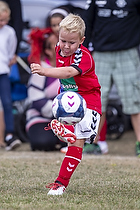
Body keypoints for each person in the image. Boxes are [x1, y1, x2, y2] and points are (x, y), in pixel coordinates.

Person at [31, 13, 101, 195]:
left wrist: (45, 71)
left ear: (82, 40)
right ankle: (59, 184)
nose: (66, 46)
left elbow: (69, 71)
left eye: (72, 43)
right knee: (75, 143)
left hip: (89, 101)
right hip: (69, 99)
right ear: (59, 37)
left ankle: (67, 133)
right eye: (63, 41)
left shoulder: (84, 56)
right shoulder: (57, 48)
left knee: (78, 142)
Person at [83, 0, 140, 156]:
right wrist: (85, 49)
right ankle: (92, 143)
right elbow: (87, 21)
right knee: (97, 101)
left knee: (134, 100)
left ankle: (139, 143)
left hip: (128, 52)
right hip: (100, 53)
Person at [26, 28, 67, 151]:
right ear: (48, 51)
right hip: (42, 117)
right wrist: (60, 111)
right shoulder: (41, 68)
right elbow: (36, 100)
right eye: (58, 44)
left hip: (69, 118)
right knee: (42, 142)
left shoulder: (72, 68)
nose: (63, 46)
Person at [0, 0, 23, 148]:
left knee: (7, 103)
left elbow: (11, 52)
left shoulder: (10, 32)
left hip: (3, 71)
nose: (2, 23)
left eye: (5, 20)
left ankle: (9, 134)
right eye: (0, 20)